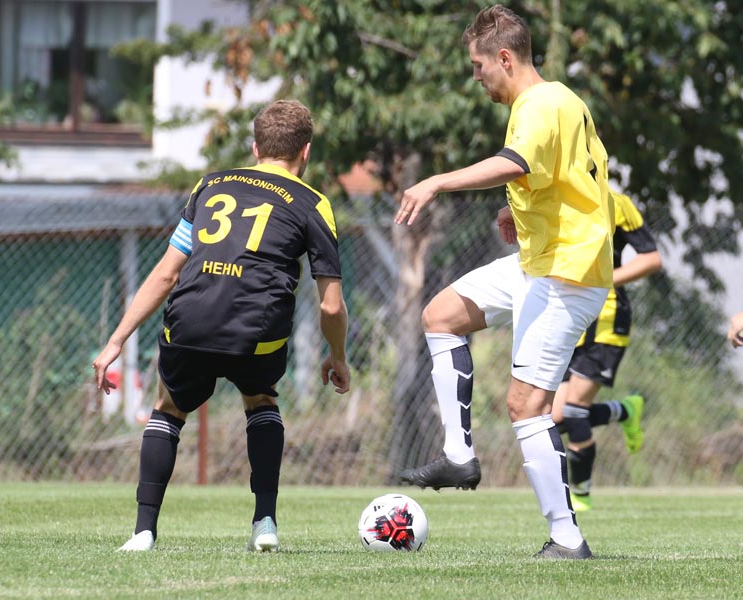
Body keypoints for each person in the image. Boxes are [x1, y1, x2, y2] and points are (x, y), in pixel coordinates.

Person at [395, 5, 614, 559]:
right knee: (440, 315)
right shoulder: (558, 99)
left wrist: (435, 182)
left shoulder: (537, 104)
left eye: (478, 66)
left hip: (567, 273)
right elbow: (559, 177)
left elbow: (515, 162)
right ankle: (458, 455)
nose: (476, 77)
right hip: (539, 260)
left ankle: (567, 539)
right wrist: (517, 211)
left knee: (526, 407)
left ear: (505, 58)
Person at [92, 99, 350, 553]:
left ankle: (143, 532)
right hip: (258, 328)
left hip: (190, 318)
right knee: (261, 399)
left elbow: (167, 273)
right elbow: (330, 306)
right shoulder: (313, 203)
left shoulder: (210, 185)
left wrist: (116, 340)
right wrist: (338, 356)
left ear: (255, 148)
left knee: (168, 409)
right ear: (305, 152)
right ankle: (264, 523)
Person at [551, 191, 662, 513]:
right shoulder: (552, 199)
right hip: (569, 320)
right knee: (554, 418)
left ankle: (581, 496)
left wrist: (602, 280)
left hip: (607, 321)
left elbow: (651, 259)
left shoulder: (616, 203)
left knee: (574, 411)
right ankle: (624, 411)